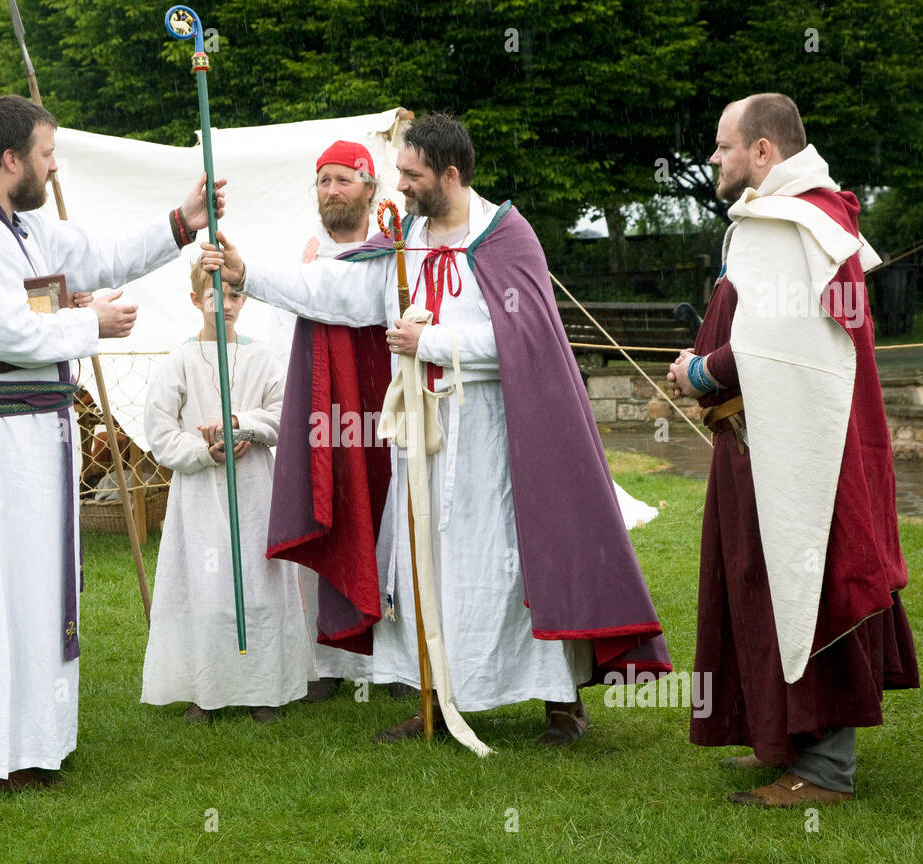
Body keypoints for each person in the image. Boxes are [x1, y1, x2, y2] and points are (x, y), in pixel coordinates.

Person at [209, 113, 668, 748]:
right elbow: (336, 287)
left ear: (450, 175)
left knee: (507, 563)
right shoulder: (407, 242)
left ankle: (559, 701)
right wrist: (249, 277)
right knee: (419, 557)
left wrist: (436, 341)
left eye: (411, 173)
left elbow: (525, 336)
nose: (398, 185)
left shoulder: (505, 237)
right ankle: (427, 692)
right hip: (420, 433)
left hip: (494, 435)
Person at [0, 95, 223, 792]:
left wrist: (182, 222)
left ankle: (29, 745)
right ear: (10, 158)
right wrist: (91, 326)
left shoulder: (26, 225)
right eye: (46, 153)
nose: (55, 164)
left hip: (28, 445)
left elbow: (102, 255)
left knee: (34, 593)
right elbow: (5, 332)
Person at [667, 93, 918, 807]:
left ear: (764, 151)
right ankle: (778, 735)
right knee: (755, 579)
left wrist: (699, 372)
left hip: (804, 449)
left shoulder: (793, 225)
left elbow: (773, 351)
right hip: (763, 440)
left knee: (813, 576)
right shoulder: (797, 220)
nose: (714, 158)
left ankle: (825, 771)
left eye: (723, 146)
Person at [141, 259, 311, 721]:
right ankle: (207, 685)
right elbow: (159, 431)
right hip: (200, 495)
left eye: (236, 294)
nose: (227, 303)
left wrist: (244, 425)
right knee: (206, 587)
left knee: (258, 585)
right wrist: (202, 451)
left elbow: (283, 415)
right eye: (216, 294)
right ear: (196, 300)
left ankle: (263, 686)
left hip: (254, 490)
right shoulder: (179, 360)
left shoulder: (261, 358)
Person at [271, 140, 381, 703]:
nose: (332, 191)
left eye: (342, 180)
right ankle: (331, 659)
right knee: (331, 510)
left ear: (369, 184)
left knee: (389, 527)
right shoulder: (309, 258)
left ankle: (394, 661)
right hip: (330, 415)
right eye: (323, 181)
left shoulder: (394, 251)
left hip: (386, 411)